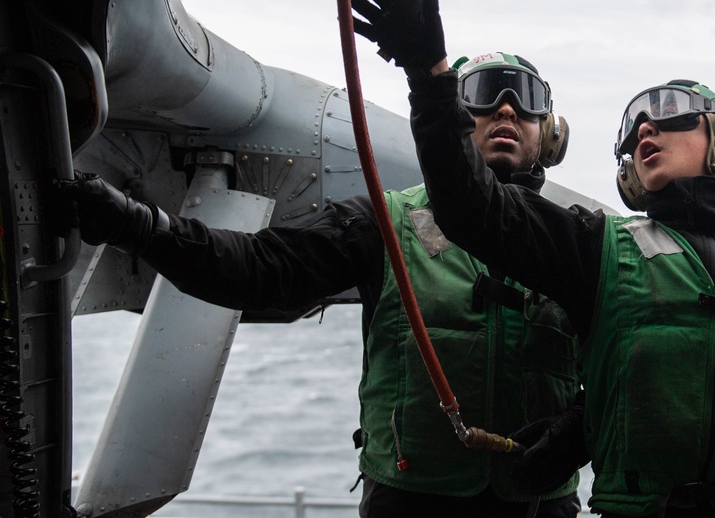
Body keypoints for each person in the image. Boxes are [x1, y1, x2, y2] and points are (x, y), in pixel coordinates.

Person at [348, 0, 715, 518]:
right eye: (633, 126)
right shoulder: (600, 247)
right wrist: (432, 80)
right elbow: (472, 208)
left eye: (670, 110)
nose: (644, 129)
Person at [54, 49, 584, 518]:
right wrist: (142, 227)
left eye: (528, 99)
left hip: (542, 504)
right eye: (484, 95)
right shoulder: (383, 221)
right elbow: (261, 269)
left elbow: (633, 356)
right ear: (452, 119)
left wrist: (576, 434)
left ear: (550, 133)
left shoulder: (581, 240)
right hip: (411, 502)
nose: (508, 108)